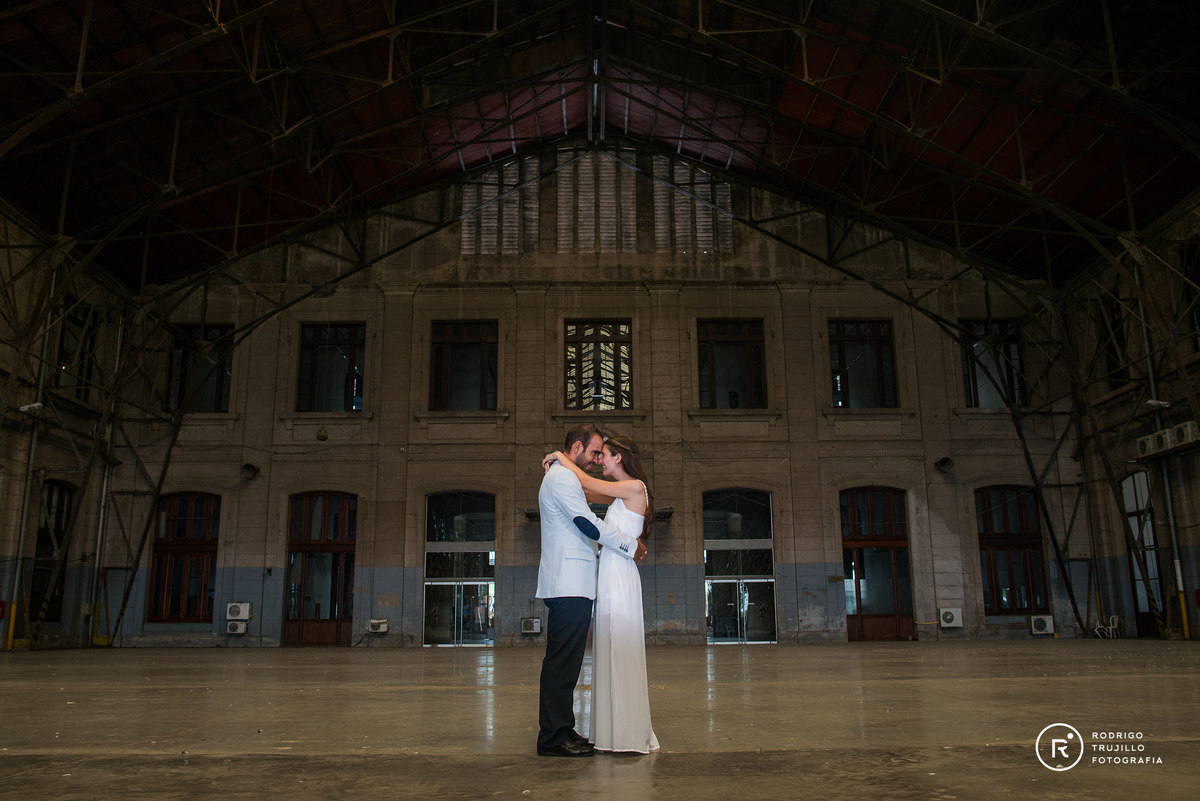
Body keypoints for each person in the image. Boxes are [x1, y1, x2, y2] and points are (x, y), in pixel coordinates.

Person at [535, 424, 647, 757]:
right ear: (579, 447)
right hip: (568, 582)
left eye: (603, 454)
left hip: (576, 582)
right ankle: (553, 737)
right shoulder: (561, 477)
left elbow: (590, 494)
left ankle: (563, 729)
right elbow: (587, 523)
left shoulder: (567, 476)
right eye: (594, 452)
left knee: (567, 665)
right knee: (561, 665)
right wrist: (630, 545)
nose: (597, 459)